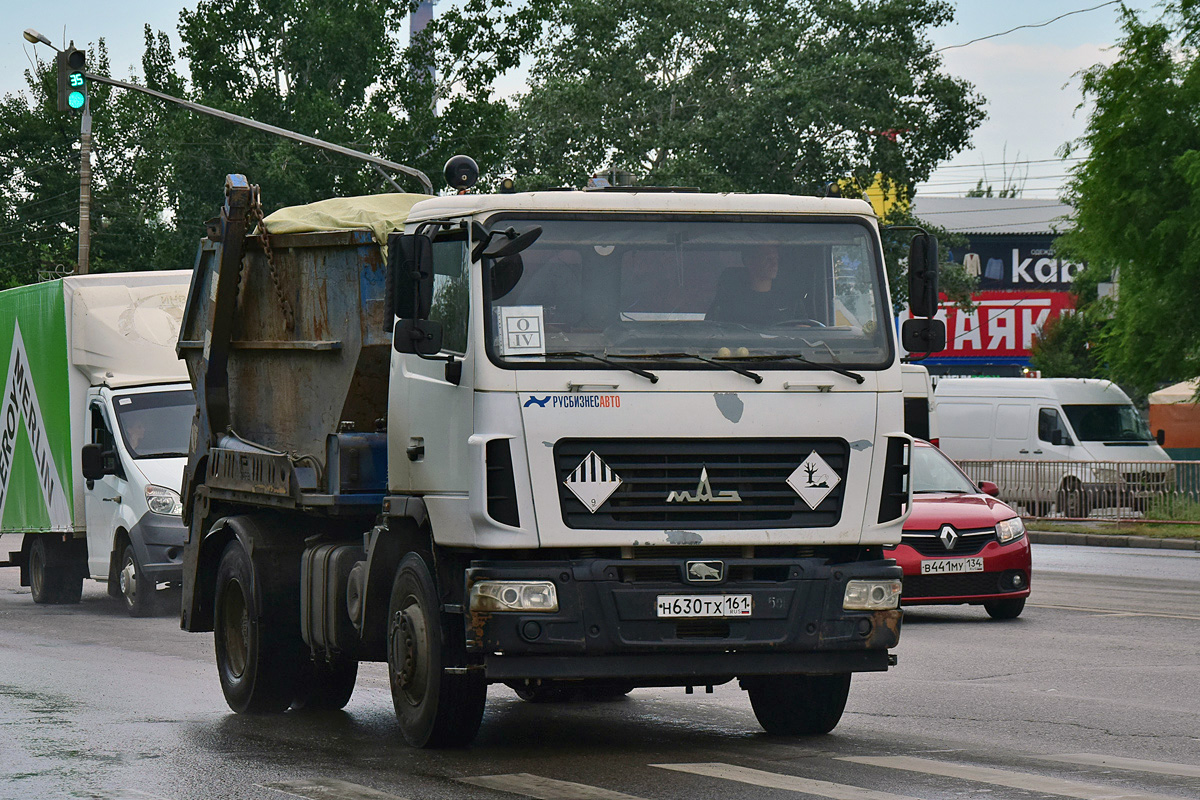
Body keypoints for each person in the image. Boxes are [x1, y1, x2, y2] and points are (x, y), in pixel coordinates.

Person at [706, 245, 794, 324]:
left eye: (776, 259)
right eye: (768, 258)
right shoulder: (730, 304)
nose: (774, 264)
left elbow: (803, 330)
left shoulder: (789, 301)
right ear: (750, 261)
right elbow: (712, 332)